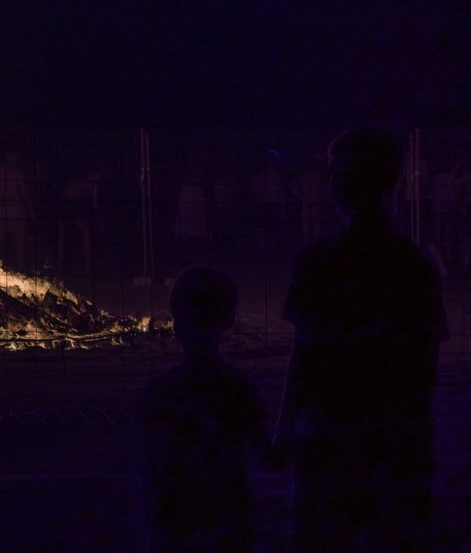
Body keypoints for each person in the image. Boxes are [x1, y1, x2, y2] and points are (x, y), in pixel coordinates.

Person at [274, 127, 449, 551]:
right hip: (395, 435)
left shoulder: (318, 261)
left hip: (329, 432)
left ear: (341, 184)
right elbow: (425, 361)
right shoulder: (415, 265)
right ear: (395, 183)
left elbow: (304, 354)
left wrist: (284, 430)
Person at [139, 266, 269, 553]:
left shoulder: (158, 393)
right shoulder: (239, 389)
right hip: (228, 517)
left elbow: (148, 466)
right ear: (228, 321)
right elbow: (264, 453)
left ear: (175, 324)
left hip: (176, 521)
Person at [0, 151, 34, 269]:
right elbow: (25, 193)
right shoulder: (17, 175)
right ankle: (20, 272)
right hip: (16, 211)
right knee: (19, 245)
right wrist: (31, 210)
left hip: (0, 211)